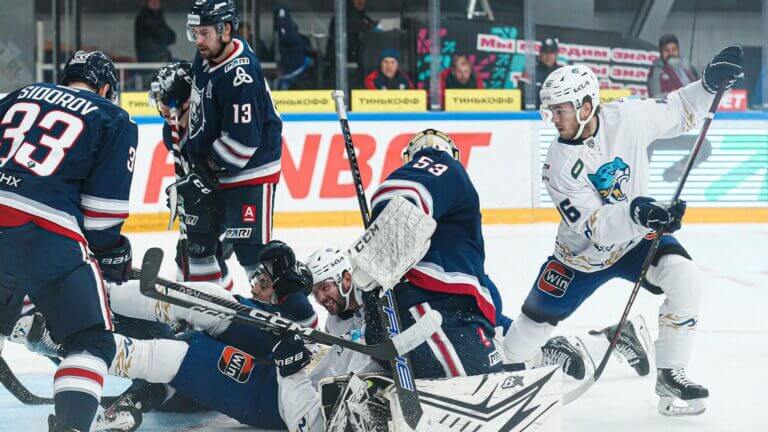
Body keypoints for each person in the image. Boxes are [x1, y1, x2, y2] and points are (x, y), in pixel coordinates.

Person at [502, 47, 744, 416]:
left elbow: (680, 110)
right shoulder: (557, 164)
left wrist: (709, 84)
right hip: (580, 258)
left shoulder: (628, 116)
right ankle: (605, 341)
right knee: (515, 349)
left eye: (560, 110)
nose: (553, 118)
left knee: (686, 277)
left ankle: (670, 374)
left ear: (585, 106)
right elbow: (594, 227)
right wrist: (640, 212)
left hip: (637, 239)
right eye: (550, 110)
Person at [0, 50, 136, 431]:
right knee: (90, 341)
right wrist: (111, 251)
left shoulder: (19, 95)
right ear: (107, 87)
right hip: (46, 233)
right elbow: (102, 216)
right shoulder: (113, 117)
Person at [182, 0, 283, 287]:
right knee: (199, 243)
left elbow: (242, 143)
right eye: (194, 33)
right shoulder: (207, 55)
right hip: (216, 168)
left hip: (250, 170)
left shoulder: (241, 75)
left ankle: (292, 317)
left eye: (203, 33)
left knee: (251, 252)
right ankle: (210, 314)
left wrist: (202, 172)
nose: (198, 41)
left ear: (225, 29)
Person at [149, 61, 235, 290]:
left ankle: (219, 305)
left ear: (187, 99)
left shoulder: (208, 125)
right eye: (158, 100)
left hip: (229, 198)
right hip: (206, 198)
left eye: (165, 100)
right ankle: (193, 303)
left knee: (201, 248)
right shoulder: (171, 130)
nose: (162, 108)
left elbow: (224, 171)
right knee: (188, 253)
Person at [646, 34, 712, 182]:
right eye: (666, 50)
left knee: (705, 147)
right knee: (645, 146)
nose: (670, 53)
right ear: (661, 52)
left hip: (686, 126)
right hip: (663, 131)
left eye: (673, 49)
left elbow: (700, 88)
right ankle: (642, 182)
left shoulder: (686, 65)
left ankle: (676, 171)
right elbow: (656, 96)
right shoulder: (656, 69)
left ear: (678, 49)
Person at [273, 5, 314, 90]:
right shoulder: (279, 40)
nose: (283, 28)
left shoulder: (299, 40)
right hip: (287, 75)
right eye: (280, 23)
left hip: (299, 76)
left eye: (286, 24)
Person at [518, 37, 565, 109]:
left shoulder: (562, 72)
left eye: (552, 53)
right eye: (545, 53)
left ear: (556, 55)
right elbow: (521, 98)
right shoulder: (530, 71)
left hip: (556, 115)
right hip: (535, 116)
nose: (548, 56)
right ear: (540, 54)